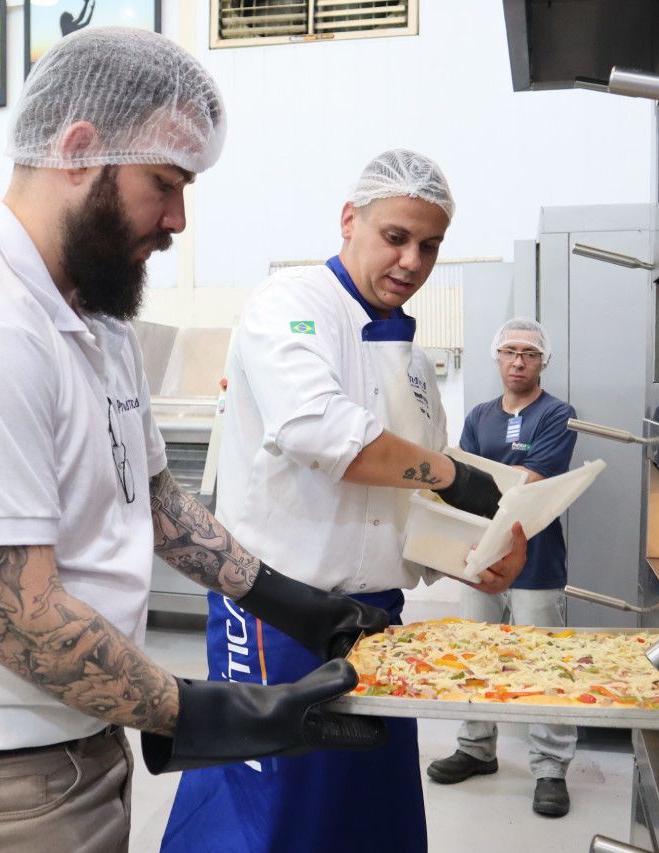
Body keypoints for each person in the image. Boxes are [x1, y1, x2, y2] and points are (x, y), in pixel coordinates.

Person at [0, 27, 392, 852]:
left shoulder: (94, 313)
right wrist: (219, 710)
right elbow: (18, 619)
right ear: (78, 150)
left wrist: (293, 603)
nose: (177, 218)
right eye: (164, 183)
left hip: (77, 741)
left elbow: (156, 499)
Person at [161, 150, 529, 853]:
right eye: (396, 237)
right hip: (274, 613)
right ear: (349, 220)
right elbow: (320, 432)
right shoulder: (291, 304)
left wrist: (472, 557)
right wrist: (456, 475)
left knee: (366, 807)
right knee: (267, 803)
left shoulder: (416, 364)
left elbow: (407, 504)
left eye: (430, 245)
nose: (412, 260)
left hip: (376, 619)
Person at [425, 317, 579, 818]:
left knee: (543, 663)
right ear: (497, 358)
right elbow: (463, 481)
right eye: (510, 351)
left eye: (529, 354)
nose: (518, 361)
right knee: (474, 653)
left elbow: (532, 485)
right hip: (479, 558)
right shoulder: (478, 417)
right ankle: (475, 748)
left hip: (537, 560)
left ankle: (551, 768)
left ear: (543, 362)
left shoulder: (558, 414)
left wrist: (491, 485)